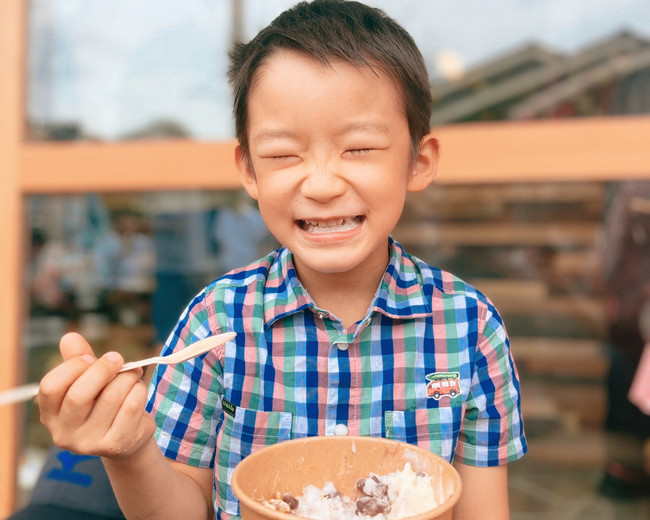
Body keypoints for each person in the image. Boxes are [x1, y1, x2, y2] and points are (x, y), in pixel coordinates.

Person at [36, 2, 527, 519]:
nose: (320, 184)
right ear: (247, 169)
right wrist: (130, 449)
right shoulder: (215, 322)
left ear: (418, 161)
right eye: (283, 155)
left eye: (359, 148)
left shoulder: (470, 328)